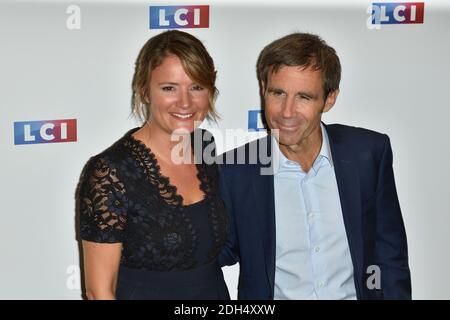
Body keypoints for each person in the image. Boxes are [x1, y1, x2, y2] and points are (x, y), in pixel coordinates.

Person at [218, 32, 411, 300]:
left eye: (304, 97)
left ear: (329, 99)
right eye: (278, 93)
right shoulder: (234, 171)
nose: (286, 111)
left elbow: (389, 257)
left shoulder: (367, 154)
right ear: (263, 88)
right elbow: (211, 257)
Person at [77, 30, 229, 300]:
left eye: (196, 87)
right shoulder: (110, 172)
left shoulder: (206, 148)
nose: (185, 102)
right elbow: (99, 291)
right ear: (145, 91)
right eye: (169, 88)